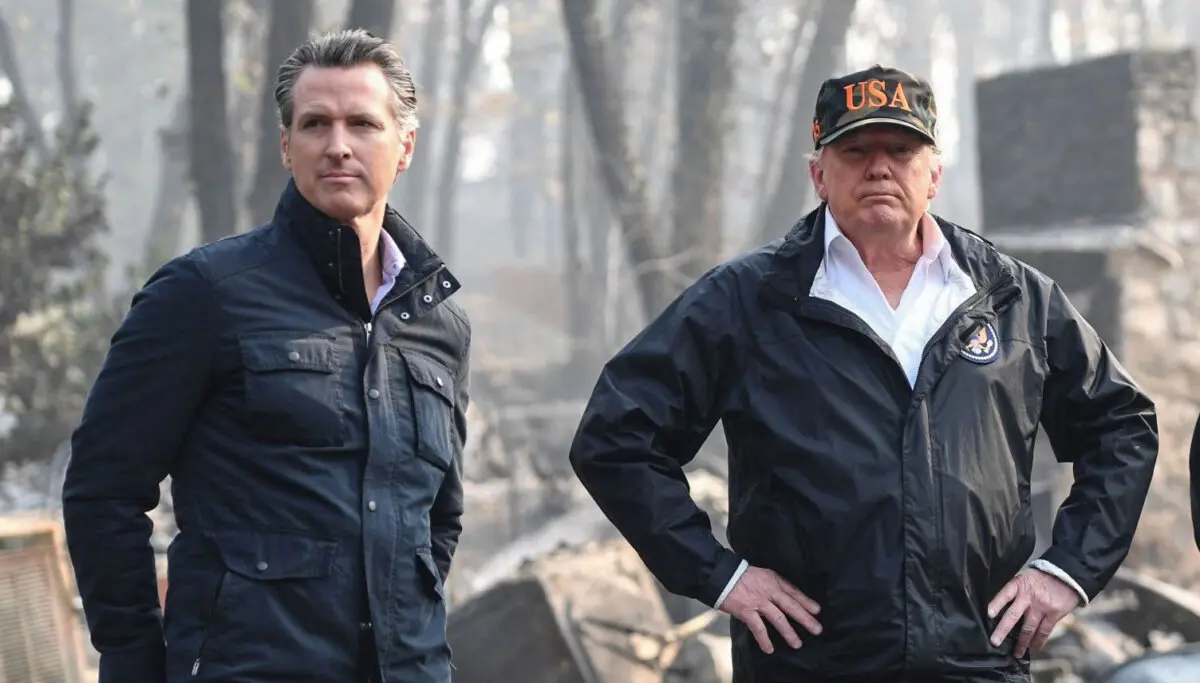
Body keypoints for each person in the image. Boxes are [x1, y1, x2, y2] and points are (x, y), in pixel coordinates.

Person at [568, 65, 1158, 682]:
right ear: (819, 175)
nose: (879, 167)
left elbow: (1121, 426)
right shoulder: (748, 301)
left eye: (901, 150)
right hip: (807, 663)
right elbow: (616, 438)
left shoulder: (1010, 298)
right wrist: (720, 577)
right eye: (854, 151)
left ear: (934, 175)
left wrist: (1067, 572)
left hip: (976, 662)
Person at [62, 29, 469, 683]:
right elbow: (103, 488)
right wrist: (135, 661)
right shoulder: (203, 295)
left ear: (405, 147)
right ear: (286, 145)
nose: (337, 145)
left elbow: (437, 516)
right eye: (315, 124)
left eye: (362, 123)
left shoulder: (439, 324)